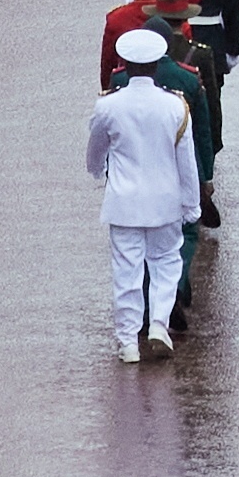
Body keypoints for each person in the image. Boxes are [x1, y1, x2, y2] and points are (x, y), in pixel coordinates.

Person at [88, 21, 204, 360]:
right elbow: (187, 163)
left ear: (124, 64)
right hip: (165, 202)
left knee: (127, 270)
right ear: (157, 64)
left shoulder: (108, 106)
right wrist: (192, 205)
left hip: (123, 203)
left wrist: (98, 172)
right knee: (167, 264)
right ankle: (157, 324)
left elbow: (95, 153)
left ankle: (127, 342)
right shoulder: (175, 106)